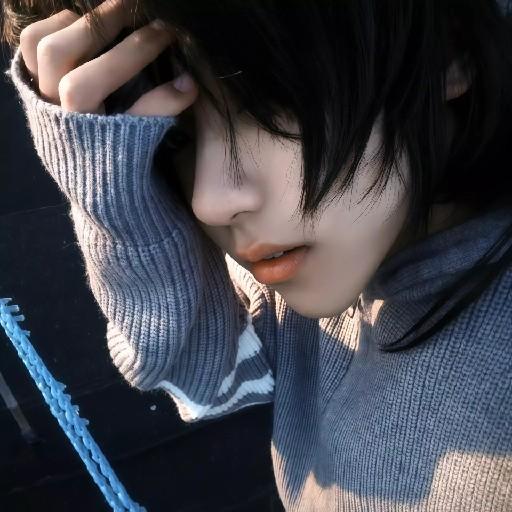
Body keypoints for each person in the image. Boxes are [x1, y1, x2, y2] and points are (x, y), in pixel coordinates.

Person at [2, 0, 512, 510]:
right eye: (177, 139)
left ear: (449, 49)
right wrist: (115, 198)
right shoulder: (349, 240)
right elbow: (203, 373)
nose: (209, 201)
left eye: (268, 101)